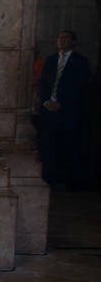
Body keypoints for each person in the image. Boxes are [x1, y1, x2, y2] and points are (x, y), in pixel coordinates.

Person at [37, 29, 91, 187]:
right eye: (60, 37)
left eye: (66, 38)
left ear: (73, 42)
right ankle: (49, 177)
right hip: (49, 109)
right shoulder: (51, 60)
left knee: (67, 145)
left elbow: (80, 87)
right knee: (48, 144)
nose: (62, 41)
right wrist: (46, 101)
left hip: (68, 111)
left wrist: (63, 103)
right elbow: (44, 82)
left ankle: (66, 181)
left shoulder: (80, 62)